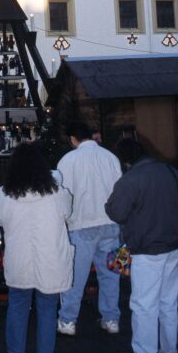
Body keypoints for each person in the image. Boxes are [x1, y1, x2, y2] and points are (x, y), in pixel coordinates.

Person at [105, 138, 178, 353]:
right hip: (172, 247)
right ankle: (169, 351)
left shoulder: (131, 179)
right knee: (168, 303)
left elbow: (116, 213)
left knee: (144, 305)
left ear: (126, 161)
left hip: (146, 251)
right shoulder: (170, 172)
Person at [0, 142, 74, 353]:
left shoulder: (5, 195)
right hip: (51, 260)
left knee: (18, 305)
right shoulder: (56, 192)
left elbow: (0, 219)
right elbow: (68, 211)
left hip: (19, 260)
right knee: (47, 309)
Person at [56, 120, 122, 336]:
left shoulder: (68, 160)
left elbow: (63, 194)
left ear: (73, 139)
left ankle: (68, 320)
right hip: (111, 224)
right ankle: (111, 318)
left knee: (75, 277)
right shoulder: (110, 157)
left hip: (81, 225)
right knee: (110, 275)